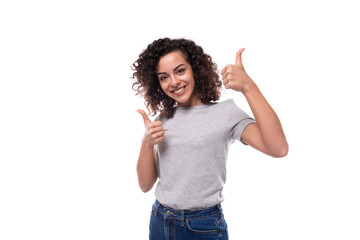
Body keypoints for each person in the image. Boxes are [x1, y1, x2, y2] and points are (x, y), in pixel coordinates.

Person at [131, 37, 288, 240]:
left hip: (201, 226)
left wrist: (248, 87)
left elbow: (278, 148)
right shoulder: (164, 118)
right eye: (164, 77)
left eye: (180, 71)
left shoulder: (225, 113)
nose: (174, 82)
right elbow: (145, 185)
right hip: (160, 219)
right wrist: (146, 142)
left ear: (195, 69)